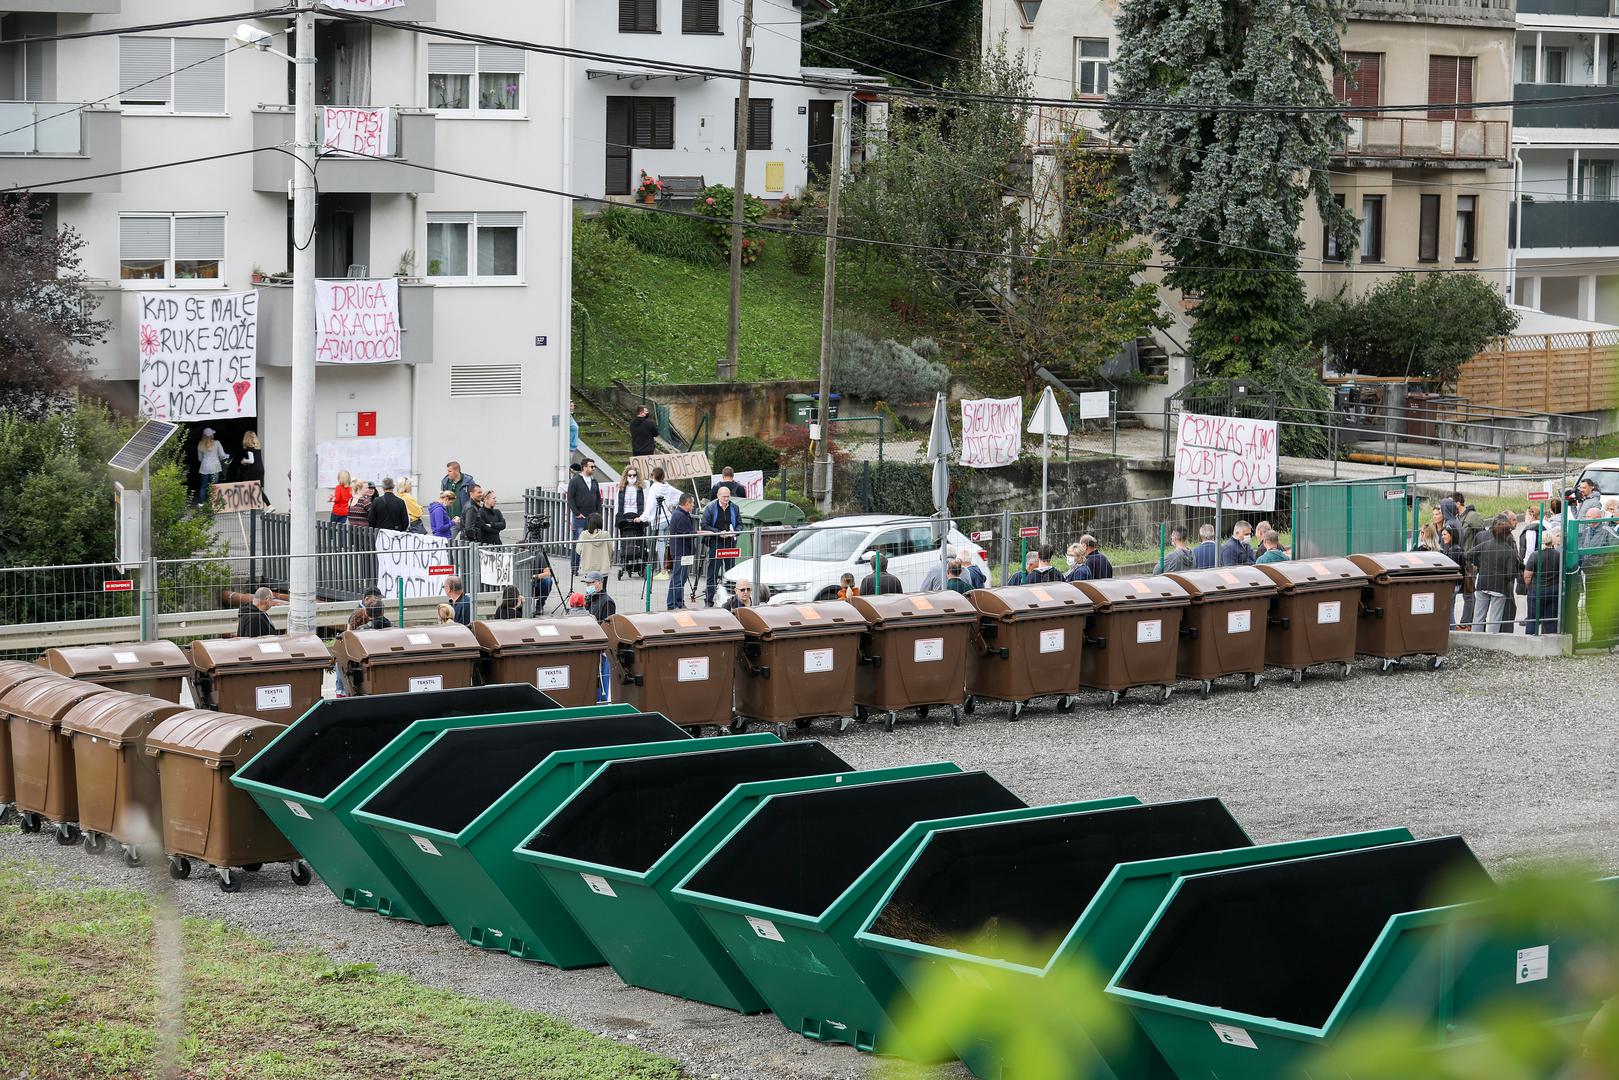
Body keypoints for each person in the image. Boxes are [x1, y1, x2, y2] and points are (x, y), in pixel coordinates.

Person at [1471, 518, 1523, 634]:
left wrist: (1480, 566)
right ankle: (1492, 641)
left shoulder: (1485, 545)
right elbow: (1510, 574)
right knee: (1495, 619)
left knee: (1478, 617)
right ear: (1507, 534)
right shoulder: (1509, 551)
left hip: (1483, 583)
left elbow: (1468, 554)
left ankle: (1475, 640)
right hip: (1499, 587)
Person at [700, 485, 742, 606]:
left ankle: (732, 601)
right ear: (718, 496)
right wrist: (718, 532)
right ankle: (709, 601)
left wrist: (735, 532)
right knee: (713, 572)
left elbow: (740, 524)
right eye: (724, 497)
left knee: (731, 571)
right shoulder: (710, 508)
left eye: (728, 497)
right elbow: (704, 524)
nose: (726, 499)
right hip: (716, 542)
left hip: (730, 543)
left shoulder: (734, 507)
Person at [640, 466, 684, 578]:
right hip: (669, 518)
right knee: (670, 543)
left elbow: (650, 505)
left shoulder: (654, 487)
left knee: (660, 545)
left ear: (653, 476)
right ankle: (671, 567)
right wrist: (670, 503)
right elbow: (681, 495)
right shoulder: (667, 487)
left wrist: (642, 517)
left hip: (659, 519)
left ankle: (663, 570)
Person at [567, 458, 603, 572]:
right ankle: (575, 567)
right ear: (585, 467)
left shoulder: (594, 481)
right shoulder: (575, 481)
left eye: (594, 466)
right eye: (591, 466)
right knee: (578, 542)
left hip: (592, 517)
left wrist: (598, 513)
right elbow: (570, 498)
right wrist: (577, 513)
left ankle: (591, 567)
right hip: (580, 517)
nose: (593, 468)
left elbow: (598, 498)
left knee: (593, 543)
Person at [1524, 530, 1562, 636]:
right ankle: (1550, 640)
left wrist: (1529, 586)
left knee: (1533, 619)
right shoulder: (1558, 555)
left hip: (1536, 591)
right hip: (1553, 591)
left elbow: (1527, 576)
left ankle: (1530, 640)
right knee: (1551, 619)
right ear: (1551, 541)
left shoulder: (1535, 555)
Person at [666, 493, 698, 609]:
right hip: (681, 552)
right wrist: (697, 532)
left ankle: (678, 602)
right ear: (687, 503)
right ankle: (672, 604)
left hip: (685, 552)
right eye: (692, 503)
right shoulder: (679, 515)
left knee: (682, 578)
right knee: (678, 579)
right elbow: (685, 533)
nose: (693, 505)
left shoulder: (683, 514)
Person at [615, 466, 649, 577]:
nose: (632, 477)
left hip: (637, 516)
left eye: (634, 475)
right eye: (630, 475)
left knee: (638, 540)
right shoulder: (621, 489)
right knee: (626, 539)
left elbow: (646, 504)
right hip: (624, 517)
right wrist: (618, 518)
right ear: (626, 476)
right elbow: (617, 504)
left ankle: (640, 561)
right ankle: (625, 560)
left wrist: (643, 517)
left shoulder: (641, 489)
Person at [1438, 525, 1467, 627]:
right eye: (1442, 535)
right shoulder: (1453, 548)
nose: (1443, 537)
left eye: (1445, 534)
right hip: (1454, 583)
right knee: (1450, 608)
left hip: (1452, 584)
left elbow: (1451, 569)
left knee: (1448, 610)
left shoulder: (1454, 550)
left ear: (1452, 535)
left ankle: (1452, 629)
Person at [196, 428, 228, 506]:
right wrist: (225, 456)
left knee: (203, 486)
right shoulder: (217, 443)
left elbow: (200, 459)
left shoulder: (200, 444)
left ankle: (201, 504)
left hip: (204, 468)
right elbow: (222, 455)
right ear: (212, 435)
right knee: (214, 486)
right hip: (214, 467)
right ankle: (213, 504)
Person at [238, 431, 269, 509]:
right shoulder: (257, 449)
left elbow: (252, 461)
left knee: (249, 488)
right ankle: (268, 506)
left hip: (254, 471)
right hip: (260, 470)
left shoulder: (249, 449)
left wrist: (244, 460)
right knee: (256, 489)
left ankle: (268, 505)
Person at [577, 512, 612, 578]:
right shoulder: (606, 534)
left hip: (588, 568)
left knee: (590, 584)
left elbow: (578, 550)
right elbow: (610, 549)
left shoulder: (584, 534)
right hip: (603, 567)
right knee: (602, 584)